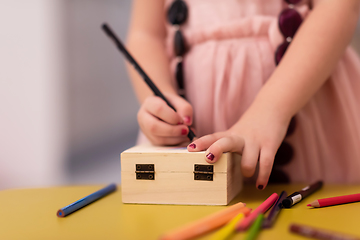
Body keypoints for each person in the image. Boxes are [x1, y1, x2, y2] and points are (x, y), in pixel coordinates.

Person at [126, 0, 360, 189]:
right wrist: (161, 100)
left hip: (301, 107)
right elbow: (146, 34)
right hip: (194, 112)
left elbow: (339, 5)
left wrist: (272, 110)